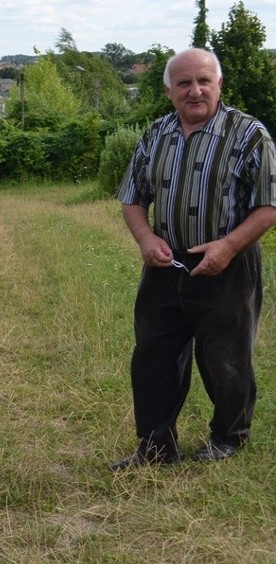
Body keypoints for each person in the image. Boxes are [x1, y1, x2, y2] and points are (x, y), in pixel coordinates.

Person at [113, 48, 276, 470]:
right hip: (165, 267)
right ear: (169, 91)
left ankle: (228, 437)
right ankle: (155, 448)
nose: (195, 90)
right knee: (154, 358)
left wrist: (227, 247)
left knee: (226, 358)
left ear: (219, 84)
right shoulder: (156, 134)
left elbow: (269, 206)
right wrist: (146, 238)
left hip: (229, 265)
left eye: (204, 80)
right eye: (184, 83)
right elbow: (133, 198)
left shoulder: (249, 134)